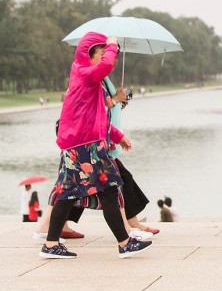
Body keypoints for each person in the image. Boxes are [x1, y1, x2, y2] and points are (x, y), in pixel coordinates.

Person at [39, 32, 151, 259]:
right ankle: (125, 243)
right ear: (89, 53)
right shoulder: (84, 73)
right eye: (101, 53)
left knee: (68, 194)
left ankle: (51, 245)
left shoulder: (91, 80)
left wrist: (117, 136)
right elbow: (106, 66)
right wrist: (111, 45)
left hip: (82, 144)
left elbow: (97, 117)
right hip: (85, 146)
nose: (106, 57)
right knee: (110, 188)